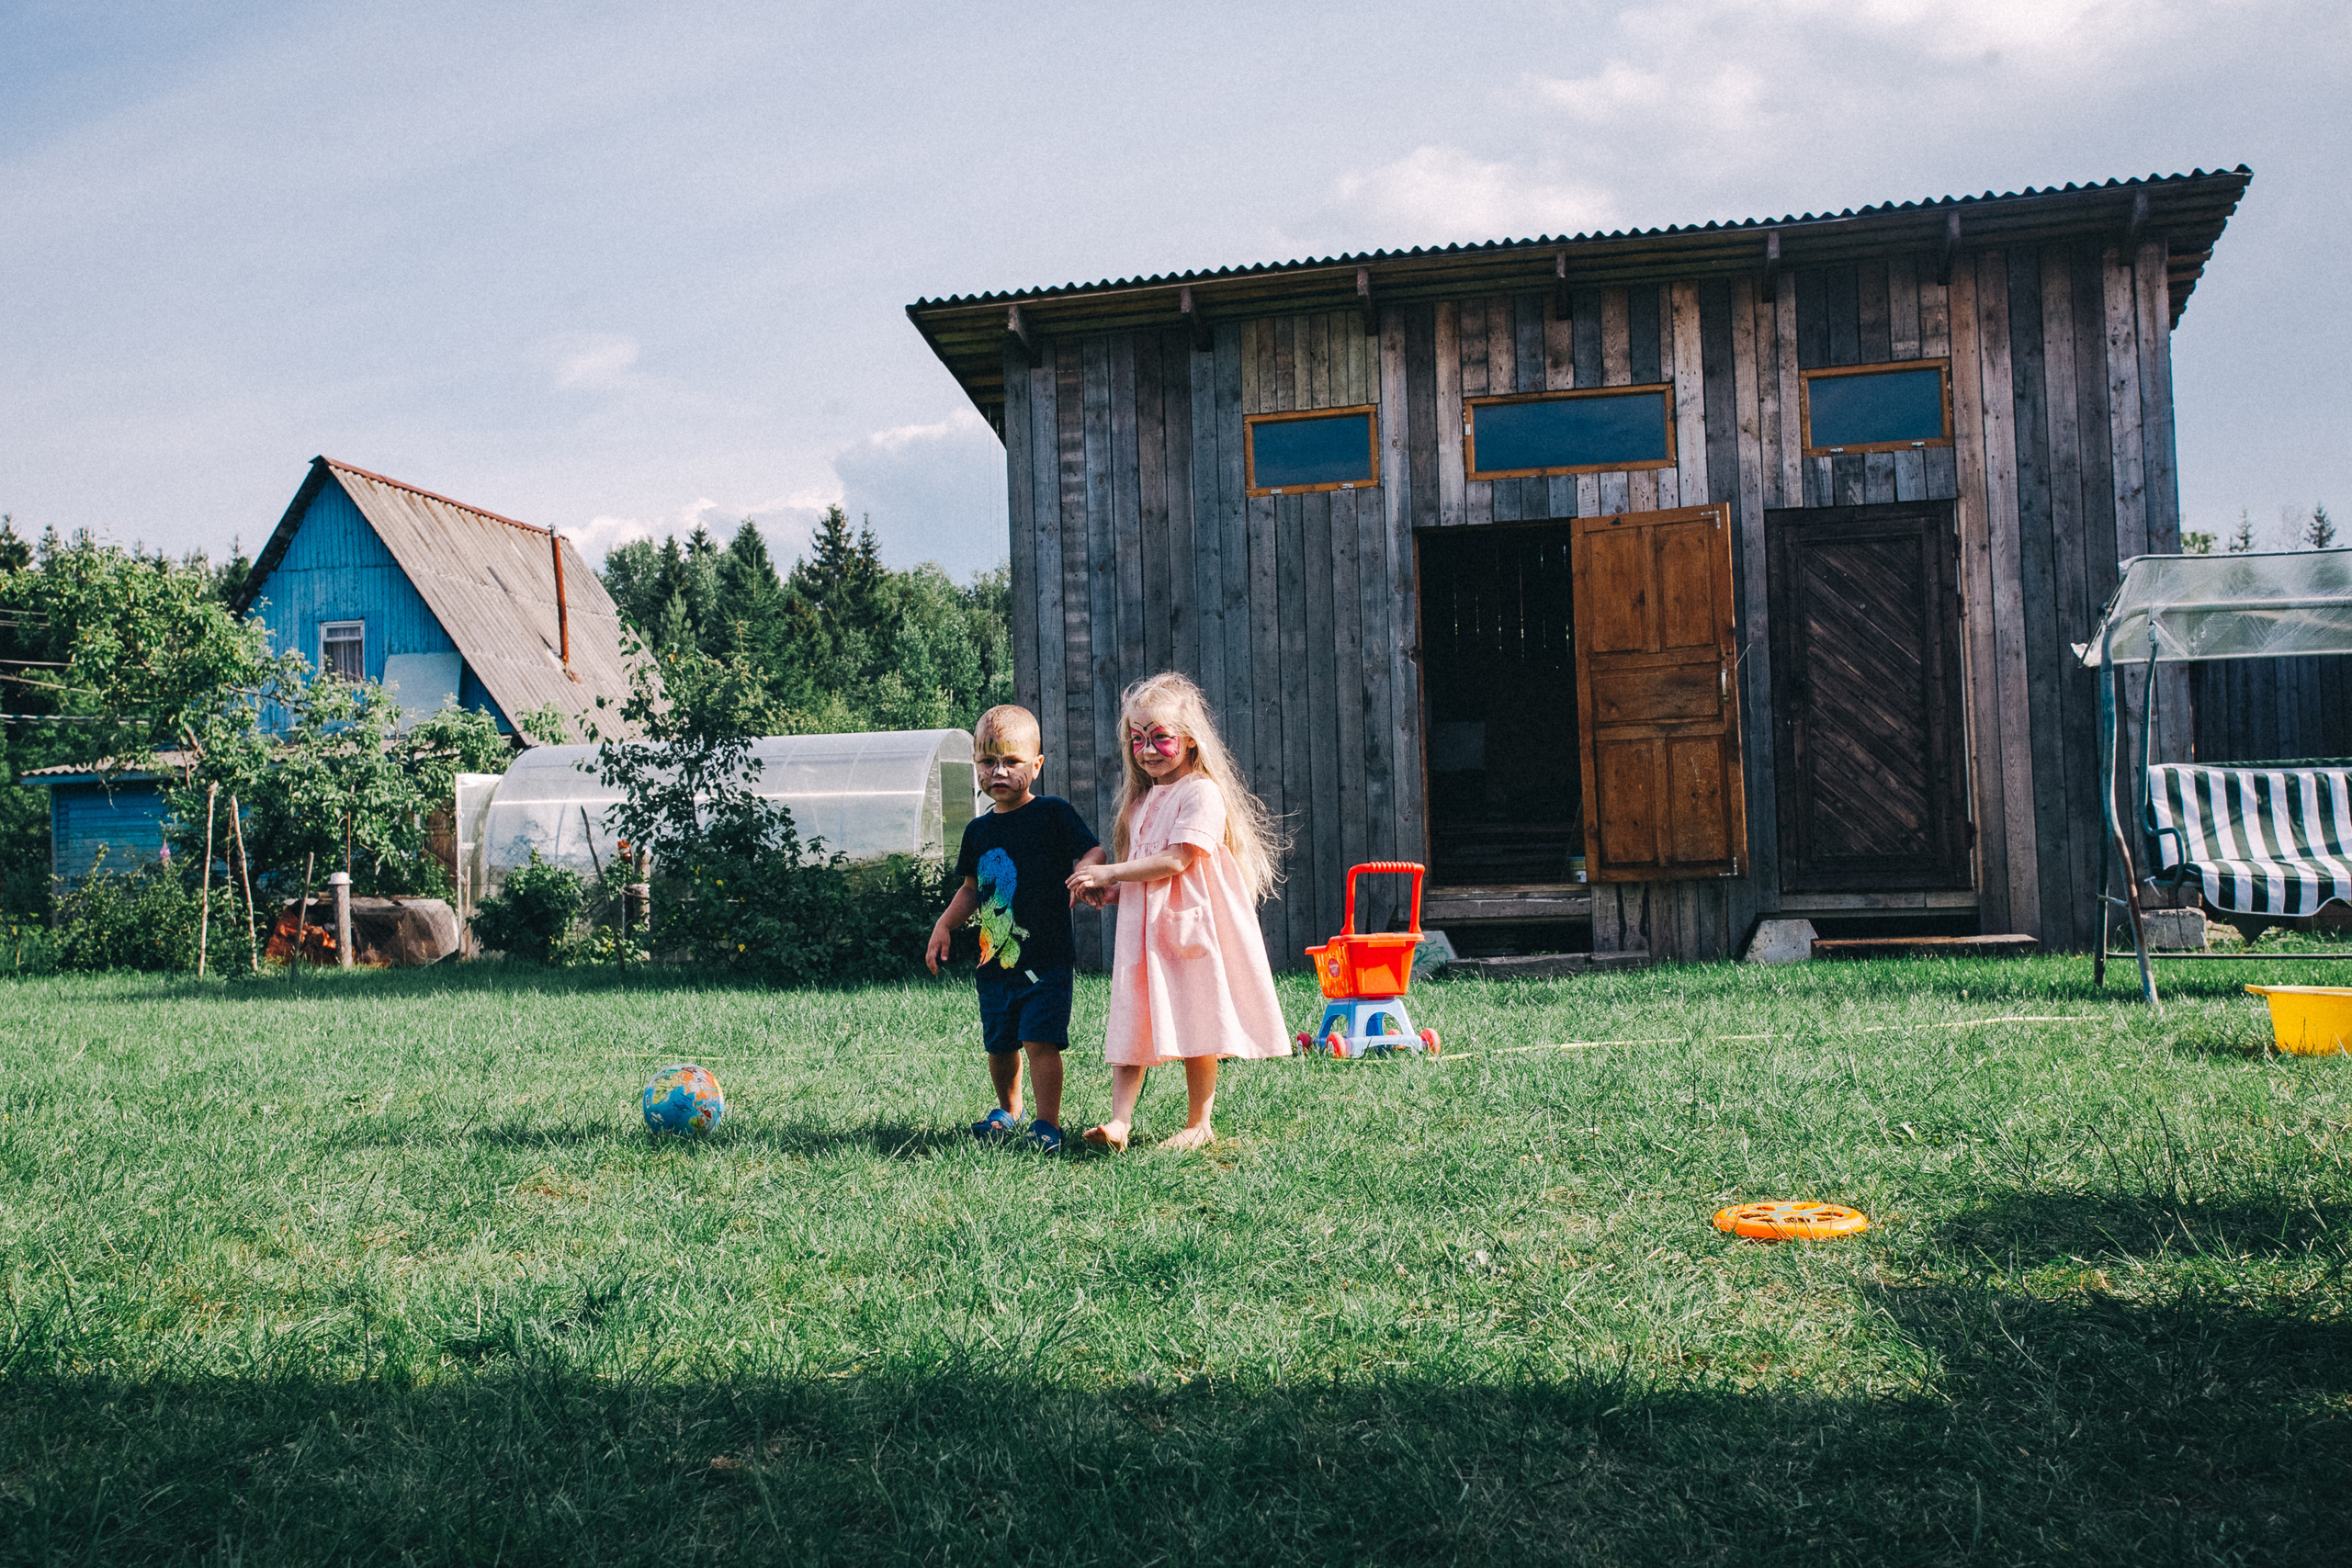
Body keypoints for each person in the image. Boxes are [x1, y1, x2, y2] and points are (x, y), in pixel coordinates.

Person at [1064, 672, 1287, 1152]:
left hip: (1190, 930)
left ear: (1188, 740)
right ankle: (1118, 1121)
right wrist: (1114, 892)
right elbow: (1147, 873)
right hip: (1144, 934)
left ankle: (1198, 1123)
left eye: (1160, 737)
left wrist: (1110, 873)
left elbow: (1176, 861)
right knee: (1130, 1017)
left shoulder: (1200, 792)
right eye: (1138, 738)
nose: (1147, 749)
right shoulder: (1141, 801)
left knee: (1198, 1017)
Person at [927, 704, 1105, 1153]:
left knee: (1039, 1040)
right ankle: (1009, 1109)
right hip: (995, 960)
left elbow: (1095, 851)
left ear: (1037, 765)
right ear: (976, 768)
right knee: (1000, 1042)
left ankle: (1047, 1124)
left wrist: (1085, 872)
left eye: (1011, 761)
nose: (998, 771)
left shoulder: (1052, 814)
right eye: (988, 762)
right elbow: (971, 889)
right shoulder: (978, 831)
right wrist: (945, 925)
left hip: (1046, 957)